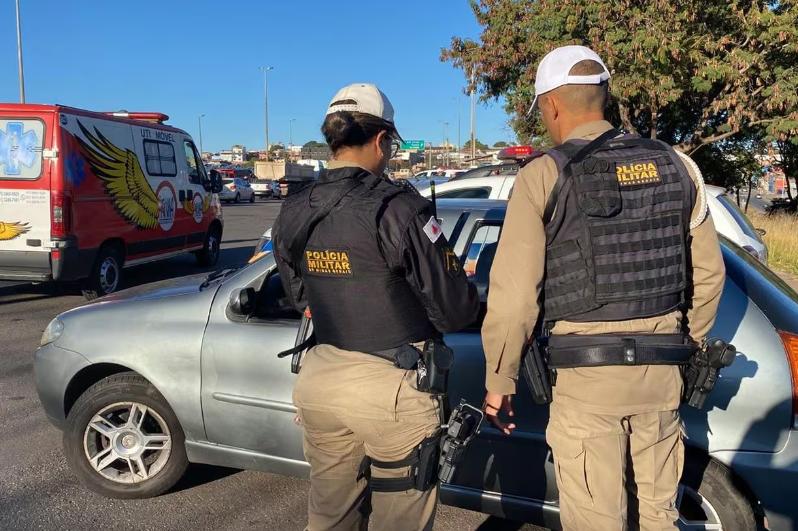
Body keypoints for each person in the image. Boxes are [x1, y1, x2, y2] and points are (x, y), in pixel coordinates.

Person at [481, 46, 725, 529]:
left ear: (551, 105)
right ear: (604, 96)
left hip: (585, 383)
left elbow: (513, 301)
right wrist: (685, 345)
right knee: (659, 517)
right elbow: (710, 277)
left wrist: (499, 381)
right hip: (661, 378)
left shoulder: (542, 175)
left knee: (596, 519)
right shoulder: (678, 166)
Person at [272, 83, 480, 531]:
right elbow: (456, 311)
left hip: (321, 377)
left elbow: (300, 298)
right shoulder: (401, 209)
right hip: (392, 389)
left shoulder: (292, 209)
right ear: (382, 140)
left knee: (330, 517)